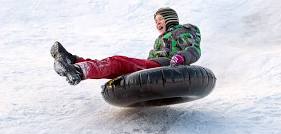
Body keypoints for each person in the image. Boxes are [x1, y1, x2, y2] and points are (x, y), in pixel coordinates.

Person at [51, 7, 201, 85]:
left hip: (165, 67)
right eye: (156, 21)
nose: (157, 23)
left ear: (170, 19)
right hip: (155, 67)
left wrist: (181, 57)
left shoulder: (180, 31)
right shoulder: (161, 39)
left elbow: (193, 50)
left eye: (160, 19)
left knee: (118, 62)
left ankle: (77, 70)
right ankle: (73, 60)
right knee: (114, 67)